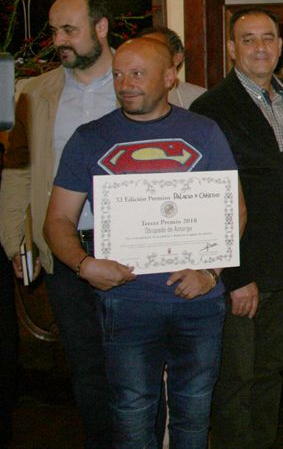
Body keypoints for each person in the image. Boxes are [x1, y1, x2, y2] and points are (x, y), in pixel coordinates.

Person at [43, 37, 244, 448]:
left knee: (194, 414)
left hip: (198, 301)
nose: (125, 84)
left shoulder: (204, 132)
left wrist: (210, 272)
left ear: (170, 77)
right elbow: (58, 219)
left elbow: (235, 210)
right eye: (118, 74)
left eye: (137, 73)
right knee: (132, 413)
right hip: (127, 301)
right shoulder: (89, 138)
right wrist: (84, 265)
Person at [0, 0, 117, 447]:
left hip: (132, 246)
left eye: (70, 29)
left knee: (138, 361)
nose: (59, 40)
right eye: (54, 31)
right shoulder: (34, 91)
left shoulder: (137, 79)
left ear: (101, 28)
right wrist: (15, 240)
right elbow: (18, 172)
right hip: (64, 250)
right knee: (87, 366)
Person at [192, 9, 283, 448]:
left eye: (268, 38)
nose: (260, 47)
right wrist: (237, 275)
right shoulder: (211, 108)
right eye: (248, 39)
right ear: (230, 48)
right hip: (245, 273)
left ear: (281, 46)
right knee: (236, 380)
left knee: (270, 371)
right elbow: (213, 199)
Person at [138, 25, 207, 108]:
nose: (146, 58)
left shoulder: (199, 98)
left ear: (177, 58)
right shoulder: (128, 95)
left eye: (155, 52)